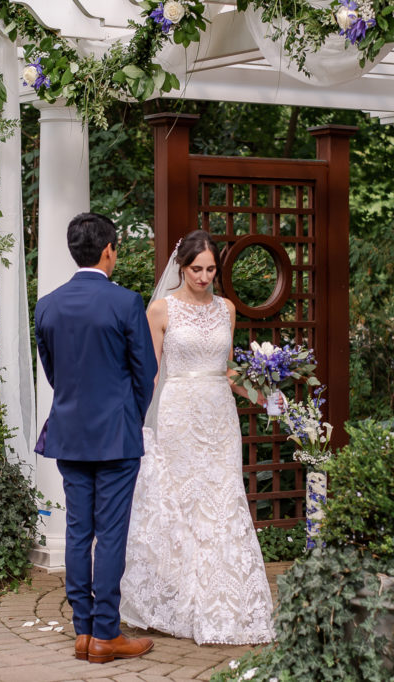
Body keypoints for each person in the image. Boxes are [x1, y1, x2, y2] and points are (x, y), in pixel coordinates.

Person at [120, 229, 276, 645]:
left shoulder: (227, 309)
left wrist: (267, 398)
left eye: (210, 269)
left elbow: (228, 370)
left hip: (219, 415)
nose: (204, 277)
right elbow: (150, 373)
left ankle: (225, 603)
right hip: (177, 413)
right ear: (182, 267)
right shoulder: (160, 310)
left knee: (222, 498)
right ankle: (175, 601)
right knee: (180, 501)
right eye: (196, 269)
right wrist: (136, 420)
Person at [34, 212, 159, 664]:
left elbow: (52, 371)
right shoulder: (126, 303)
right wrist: (129, 414)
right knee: (109, 535)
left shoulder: (47, 304)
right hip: (115, 436)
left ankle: (82, 632)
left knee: (76, 529)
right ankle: (106, 634)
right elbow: (146, 371)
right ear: (108, 250)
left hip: (69, 431)